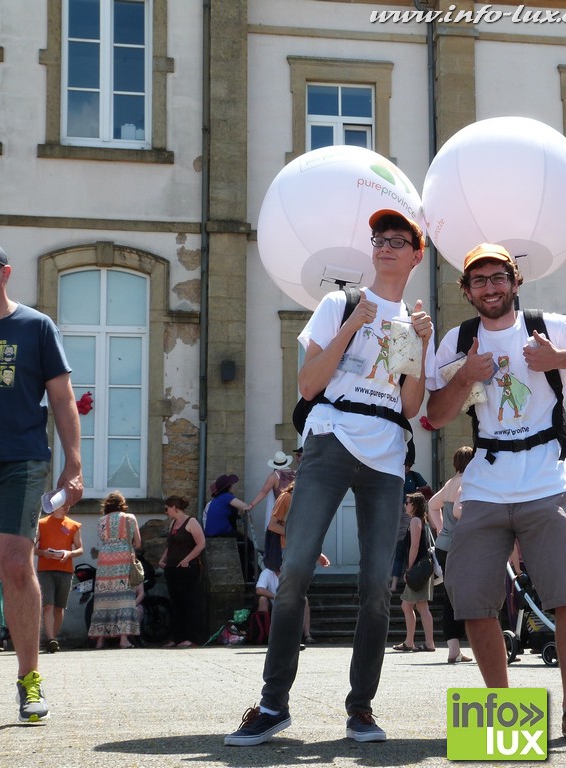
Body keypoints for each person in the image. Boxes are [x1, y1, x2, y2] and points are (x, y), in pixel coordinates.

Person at [224, 208, 434, 747]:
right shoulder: (338, 304)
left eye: (397, 240)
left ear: (417, 253)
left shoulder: (414, 322)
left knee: (373, 587)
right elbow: (309, 382)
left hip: (386, 455)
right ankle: (273, 705)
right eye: (378, 239)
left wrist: (424, 346)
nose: (385, 246)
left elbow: (410, 406)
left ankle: (360, 709)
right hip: (331, 436)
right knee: (294, 570)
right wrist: (353, 325)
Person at [426, 243, 566, 744]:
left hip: (546, 478)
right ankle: (500, 712)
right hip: (485, 481)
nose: (490, 287)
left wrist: (558, 358)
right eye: (479, 280)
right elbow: (434, 414)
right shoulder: (459, 339)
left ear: (515, 282)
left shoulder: (547, 326)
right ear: (467, 290)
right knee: (472, 597)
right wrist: (466, 377)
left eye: (499, 277)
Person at [0, 240, 83, 725]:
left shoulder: (34, 326)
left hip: (19, 461)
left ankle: (28, 681)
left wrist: (74, 461)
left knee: (16, 567)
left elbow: (63, 399)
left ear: (4, 273)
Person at [427, 446, 474, 664]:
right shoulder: (467, 481)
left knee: (449, 597)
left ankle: (453, 650)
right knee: (467, 595)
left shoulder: (450, 482)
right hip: (461, 546)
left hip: (444, 545)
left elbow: (431, 504)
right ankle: (468, 646)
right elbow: (458, 510)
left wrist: (441, 529)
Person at [264, 481, 321, 645]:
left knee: (299, 596)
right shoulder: (286, 497)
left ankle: (297, 636)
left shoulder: (306, 501)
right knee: (291, 596)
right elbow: (272, 525)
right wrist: (294, 534)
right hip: (285, 552)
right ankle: (285, 638)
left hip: (297, 552)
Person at [89, 492, 141, 650]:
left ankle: (100, 640)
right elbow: (137, 543)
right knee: (124, 598)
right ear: (122, 504)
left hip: (105, 561)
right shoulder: (129, 518)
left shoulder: (101, 521)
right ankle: (124, 640)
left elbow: (102, 541)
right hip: (123, 559)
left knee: (103, 599)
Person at [34, 501, 83, 654]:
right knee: (47, 605)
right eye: (63, 504)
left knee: (59, 607)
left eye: (68, 505)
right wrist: (43, 553)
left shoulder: (74, 525)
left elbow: (80, 549)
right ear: (54, 506)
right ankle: (50, 639)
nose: (67, 507)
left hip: (65, 570)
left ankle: (53, 638)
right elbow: (32, 547)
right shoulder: (42, 524)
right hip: (45, 570)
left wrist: (70, 553)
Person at [157, 495, 206, 648]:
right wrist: (163, 559)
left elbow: (201, 544)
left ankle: (192, 637)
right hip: (172, 569)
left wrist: (187, 560)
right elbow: (169, 545)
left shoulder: (191, 522)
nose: (166, 512)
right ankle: (177, 637)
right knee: (176, 603)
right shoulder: (173, 524)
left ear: (174, 507)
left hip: (187, 569)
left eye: (167, 509)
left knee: (189, 602)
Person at [392, 492, 435, 653]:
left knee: (409, 605)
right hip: (422, 569)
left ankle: (417, 642)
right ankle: (414, 642)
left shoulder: (415, 521)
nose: (405, 505)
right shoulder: (417, 520)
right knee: (418, 606)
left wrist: (409, 568)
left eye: (408, 502)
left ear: (415, 505)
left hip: (418, 569)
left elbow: (415, 547)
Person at [204, 474, 255, 581]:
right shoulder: (227, 497)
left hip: (210, 533)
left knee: (241, 546)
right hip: (222, 532)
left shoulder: (216, 499)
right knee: (248, 544)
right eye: (232, 485)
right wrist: (245, 509)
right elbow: (246, 507)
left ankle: (248, 573)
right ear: (229, 487)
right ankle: (250, 574)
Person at [391, 444, 428, 592]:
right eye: (405, 464)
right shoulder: (393, 474)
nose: (407, 468)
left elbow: (427, 491)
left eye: (409, 465)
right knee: (398, 548)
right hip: (395, 514)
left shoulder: (414, 476)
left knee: (404, 547)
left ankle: (403, 579)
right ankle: (394, 581)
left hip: (409, 516)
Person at [247, 449, 300, 535]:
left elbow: (263, 492)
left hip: (281, 511)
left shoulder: (274, 476)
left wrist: (251, 505)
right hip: (296, 509)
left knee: (279, 534)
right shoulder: (296, 473)